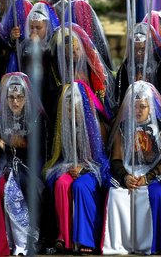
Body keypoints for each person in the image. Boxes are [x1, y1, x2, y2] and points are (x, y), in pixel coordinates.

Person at [102, 81, 161, 254]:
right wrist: (125, 177)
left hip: (155, 173)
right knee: (116, 193)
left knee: (156, 193)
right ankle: (121, 245)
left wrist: (148, 177)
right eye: (135, 107)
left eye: (142, 107)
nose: (138, 111)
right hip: (129, 172)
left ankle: (153, 244)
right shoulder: (123, 127)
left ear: (150, 107)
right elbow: (116, 159)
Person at [0, 73, 48, 256]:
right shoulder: (1, 116)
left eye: (19, 97)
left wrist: (11, 147)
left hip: (28, 171)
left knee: (13, 191)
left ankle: (24, 244)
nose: (15, 102)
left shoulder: (35, 118)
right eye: (11, 97)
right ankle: (7, 241)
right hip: (5, 168)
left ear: (26, 97)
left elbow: (34, 151)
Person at [43, 81, 110, 254]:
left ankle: (86, 238)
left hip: (92, 169)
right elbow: (62, 156)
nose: (70, 108)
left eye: (74, 104)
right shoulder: (65, 128)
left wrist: (83, 169)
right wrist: (69, 168)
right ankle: (64, 236)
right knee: (61, 183)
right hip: (70, 167)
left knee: (81, 186)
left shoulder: (97, 126)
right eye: (67, 104)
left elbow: (100, 160)